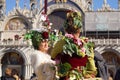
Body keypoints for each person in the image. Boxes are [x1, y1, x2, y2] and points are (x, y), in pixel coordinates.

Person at [50, 11, 97, 80]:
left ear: (66, 29)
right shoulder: (87, 45)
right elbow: (92, 68)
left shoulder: (62, 43)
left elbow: (53, 56)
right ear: (80, 30)